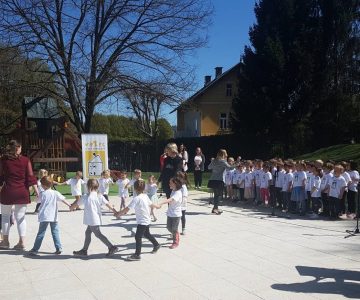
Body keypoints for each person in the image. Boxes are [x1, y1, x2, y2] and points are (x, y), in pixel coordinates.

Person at [0, 140, 39, 250]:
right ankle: (21, 243)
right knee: (21, 218)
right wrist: (37, 191)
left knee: (5, 217)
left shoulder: (3, 160)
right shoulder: (26, 160)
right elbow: (31, 177)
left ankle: (5, 242)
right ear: (17, 148)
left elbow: (0, 176)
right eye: (20, 148)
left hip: (8, 192)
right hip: (22, 192)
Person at [115, 179, 161, 261]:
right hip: (147, 219)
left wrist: (119, 213)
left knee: (138, 236)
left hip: (143, 221)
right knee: (146, 234)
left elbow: (127, 209)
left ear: (135, 189)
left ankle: (137, 255)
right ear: (144, 188)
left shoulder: (136, 199)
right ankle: (156, 245)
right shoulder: (145, 196)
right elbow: (151, 204)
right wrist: (157, 206)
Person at [71, 179, 118, 257]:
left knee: (98, 234)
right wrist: (115, 212)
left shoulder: (85, 196)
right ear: (98, 186)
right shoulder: (99, 196)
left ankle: (111, 247)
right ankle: (84, 250)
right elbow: (108, 204)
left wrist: (71, 207)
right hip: (94, 219)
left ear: (88, 186)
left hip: (92, 220)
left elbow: (75, 205)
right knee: (88, 232)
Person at [28, 176, 71, 255]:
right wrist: (70, 205)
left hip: (44, 216)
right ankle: (59, 248)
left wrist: (36, 197)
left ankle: (35, 249)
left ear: (43, 185)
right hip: (53, 216)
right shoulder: (55, 192)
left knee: (41, 233)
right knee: (55, 232)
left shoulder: (42, 194)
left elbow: (37, 201)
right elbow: (63, 199)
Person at [158, 177, 183, 249]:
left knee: (174, 229)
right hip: (170, 213)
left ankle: (175, 242)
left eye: (170, 183)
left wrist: (161, 203)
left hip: (176, 214)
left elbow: (171, 199)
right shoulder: (173, 190)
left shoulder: (178, 193)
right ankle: (176, 234)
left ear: (175, 184)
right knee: (169, 227)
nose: (169, 184)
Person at [207, 149, 234, 214]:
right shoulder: (223, 161)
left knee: (216, 195)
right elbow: (230, 168)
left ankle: (215, 208)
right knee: (218, 195)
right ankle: (215, 208)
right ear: (223, 154)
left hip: (213, 179)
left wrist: (213, 163)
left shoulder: (214, 160)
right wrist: (236, 165)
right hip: (219, 180)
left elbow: (209, 167)